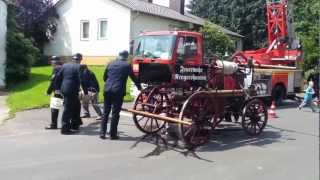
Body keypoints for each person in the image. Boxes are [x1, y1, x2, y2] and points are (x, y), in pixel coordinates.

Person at [100, 50, 142, 139]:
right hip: (118, 91)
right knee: (115, 113)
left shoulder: (110, 64)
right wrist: (139, 87)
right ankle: (113, 134)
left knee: (105, 112)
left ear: (119, 56)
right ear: (126, 57)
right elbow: (133, 77)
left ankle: (102, 133)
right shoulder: (126, 65)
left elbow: (104, 78)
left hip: (107, 90)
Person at [55, 53, 88, 134]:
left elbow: (58, 77)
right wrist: (86, 93)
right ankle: (65, 129)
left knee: (77, 106)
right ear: (80, 60)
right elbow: (82, 80)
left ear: (73, 59)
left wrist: (57, 88)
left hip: (65, 89)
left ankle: (75, 124)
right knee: (68, 109)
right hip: (71, 90)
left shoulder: (65, 65)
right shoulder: (79, 67)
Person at [45, 56, 63, 130]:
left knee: (54, 108)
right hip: (66, 90)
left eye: (52, 61)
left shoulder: (56, 69)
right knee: (68, 108)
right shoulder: (63, 67)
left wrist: (48, 91)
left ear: (54, 62)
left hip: (58, 91)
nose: (51, 63)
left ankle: (53, 125)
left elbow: (53, 81)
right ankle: (74, 123)